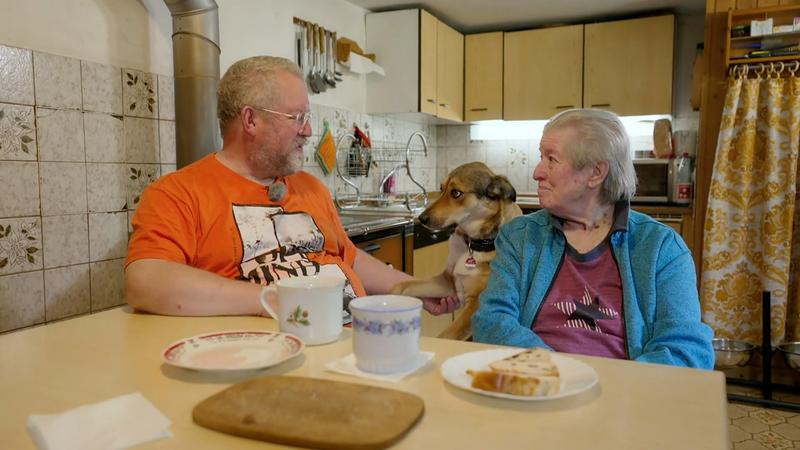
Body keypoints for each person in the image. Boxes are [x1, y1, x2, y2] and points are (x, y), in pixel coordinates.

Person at [125, 56, 459, 317]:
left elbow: (350, 259)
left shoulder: (311, 188)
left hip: (348, 343)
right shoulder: (179, 193)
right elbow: (145, 281)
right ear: (251, 120)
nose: (309, 130)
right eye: (297, 117)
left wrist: (415, 289)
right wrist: (275, 299)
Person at [471, 109, 714, 369]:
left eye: (551, 159)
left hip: (622, 395)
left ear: (596, 173)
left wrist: (612, 385)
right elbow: (492, 321)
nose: (537, 173)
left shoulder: (661, 248)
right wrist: (560, 373)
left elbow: (687, 351)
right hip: (534, 382)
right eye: (541, 157)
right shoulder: (519, 237)